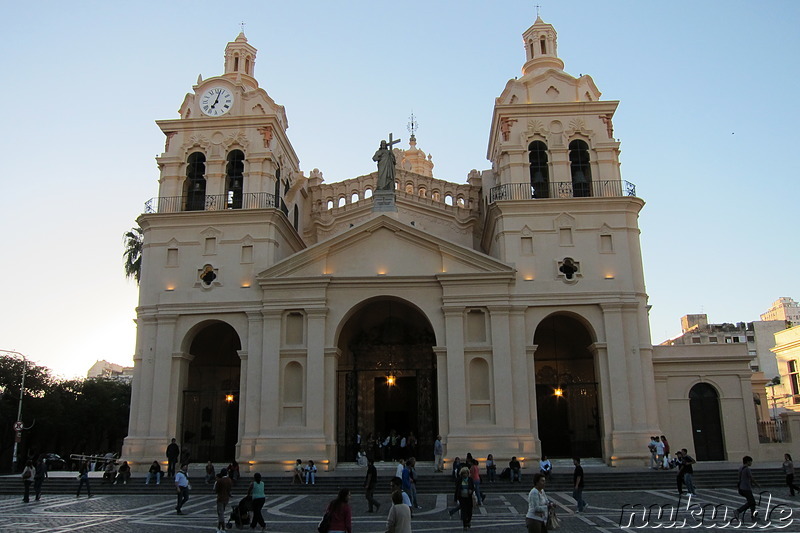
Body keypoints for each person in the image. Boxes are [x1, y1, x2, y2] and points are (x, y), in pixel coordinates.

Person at [734, 456, 760, 522]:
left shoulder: (740, 468)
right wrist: (757, 484)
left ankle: (753, 516)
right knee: (752, 502)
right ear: (748, 461)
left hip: (741, 488)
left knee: (751, 502)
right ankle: (738, 511)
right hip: (746, 488)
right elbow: (751, 478)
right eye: (750, 461)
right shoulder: (747, 469)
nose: (751, 463)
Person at [453, 466, 475, 530]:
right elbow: (457, 489)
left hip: (469, 498)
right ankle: (465, 525)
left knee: (469, 512)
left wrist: (471, 490)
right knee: (464, 512)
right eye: (463, 473)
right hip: (462, 498)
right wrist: (456, 498)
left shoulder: (470, 479)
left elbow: (473, 487)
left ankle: (468, 521)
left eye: (466, 473)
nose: (465, 475)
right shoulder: (459, 480)